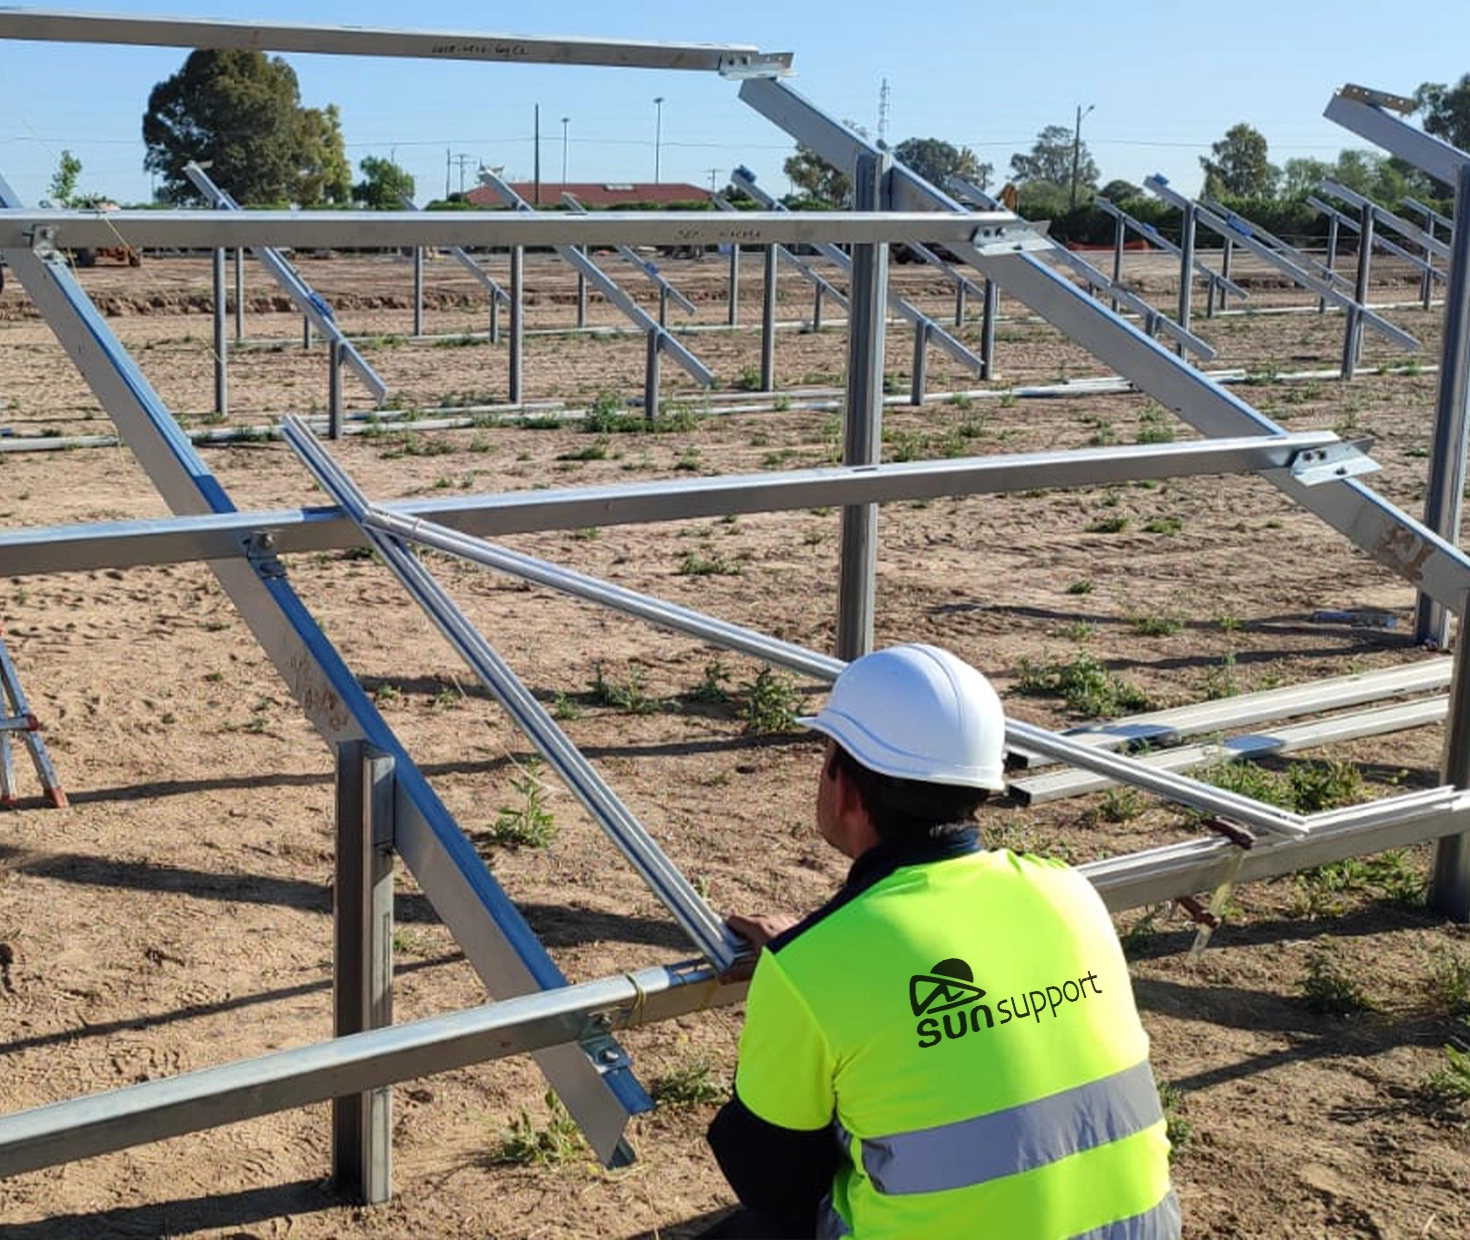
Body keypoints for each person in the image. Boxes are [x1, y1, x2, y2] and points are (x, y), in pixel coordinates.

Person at [705, 643, 1178, 1239]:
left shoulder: (810, 966)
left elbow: (771, 1181)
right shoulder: (1069, 893)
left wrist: (807, 962)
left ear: (845, 786)